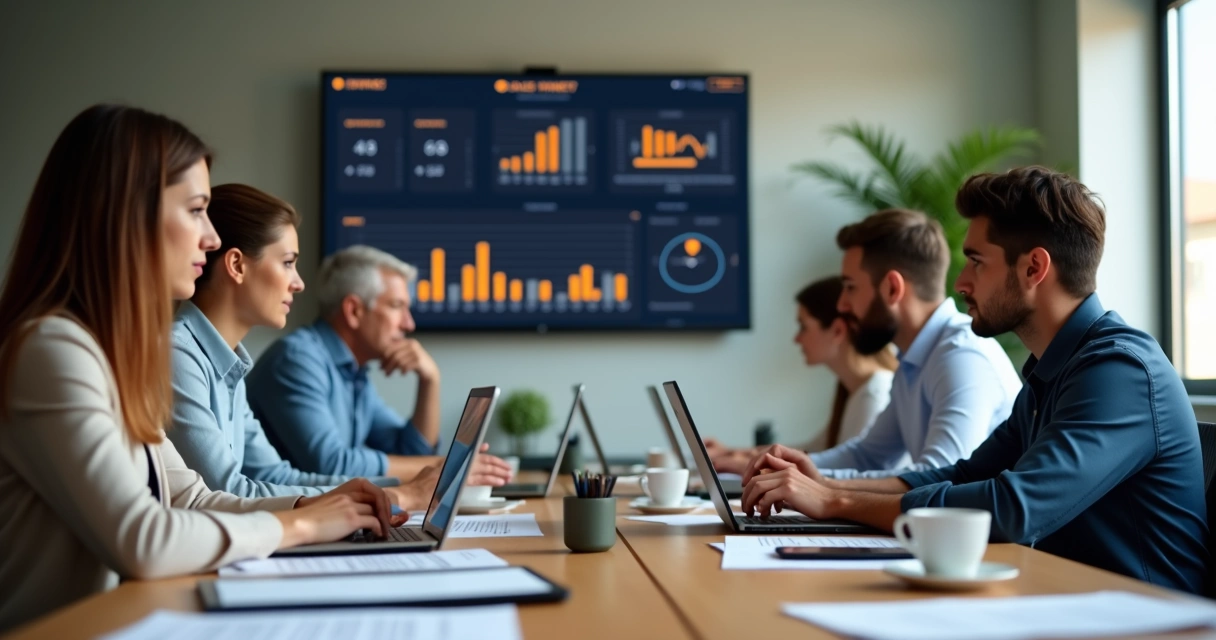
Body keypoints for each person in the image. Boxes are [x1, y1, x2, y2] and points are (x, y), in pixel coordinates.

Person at [0, 105, 397, 631]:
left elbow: (192, 497)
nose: (211, 238)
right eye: (195, 210)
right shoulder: (51, 350)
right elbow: (143, 539)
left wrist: (319, 506)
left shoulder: (111, 355)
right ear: (126, 216)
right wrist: (299, 526)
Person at [741, 167, 1208, 594]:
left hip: (1146, 619)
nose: (960, 283)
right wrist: (824, 487)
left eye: (977, 261)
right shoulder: (1055, 370)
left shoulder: (1118, 370)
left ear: (1034, 268)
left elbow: (1013, 509)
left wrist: (836, 499)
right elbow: (963, 475)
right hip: (1063, 600)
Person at [167, 184, 512, 509]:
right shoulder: (178, 355)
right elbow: (229, 492)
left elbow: (274, 477)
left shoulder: (230, 367)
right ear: (237, 265)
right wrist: (401, 494)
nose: (299, 283)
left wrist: (408, 487)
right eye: (288, 262)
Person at [800, 209, 1021, 479]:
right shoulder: (913, 359)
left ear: (893, 288)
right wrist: (796, 468)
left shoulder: (961, 356)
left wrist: (817, 486)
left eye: (851, 287)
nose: (841, 304)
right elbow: (868, 456)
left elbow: (940, 476)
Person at [247, 246, 444, 480]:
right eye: (396, 306)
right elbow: (331, 464)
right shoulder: (296, 360)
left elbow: (411, 454)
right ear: (354, 311)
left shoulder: (353, 373)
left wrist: (430, 380)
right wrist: (445, 466)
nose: (408, 324)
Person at [703, 276, 897, 474]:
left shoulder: (875, 394)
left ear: (838, 330)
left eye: (803, 327)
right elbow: (813, 450)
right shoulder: (854, 391)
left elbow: (853, 472)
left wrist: (745, 464)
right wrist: (730, 452)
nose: (797, 339)